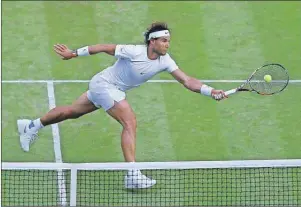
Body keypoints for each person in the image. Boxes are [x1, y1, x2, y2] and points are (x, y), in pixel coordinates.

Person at [17, 22, 227, 189]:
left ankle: (30, 126)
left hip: (109, 89)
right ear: (152, 42)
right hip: (105, 85)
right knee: (130, 122)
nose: (167, 44)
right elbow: (103, 48)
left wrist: (210, 91)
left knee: (72, 112)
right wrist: (73, 53)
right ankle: (133, 174)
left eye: (168, 41)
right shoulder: (134, 51)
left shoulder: (165, 61)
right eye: (164, 40)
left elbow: (187, 80)